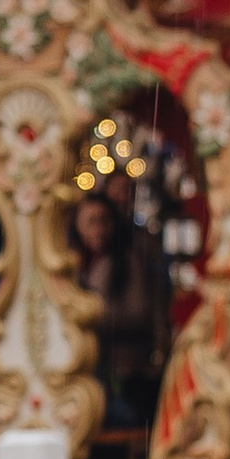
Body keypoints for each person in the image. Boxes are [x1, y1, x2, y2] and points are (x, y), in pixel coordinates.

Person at [71, 186, 170, 435]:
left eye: (103, 221)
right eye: (90, 222)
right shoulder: (75, 263)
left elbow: (138, 312)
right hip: (91, 365)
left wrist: (92, 317)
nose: (98, 229)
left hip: (124, 366)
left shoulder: (125, 260)